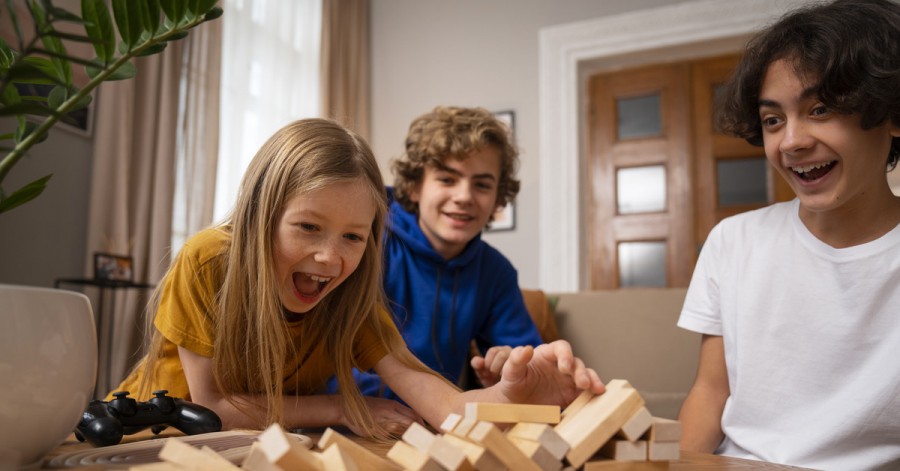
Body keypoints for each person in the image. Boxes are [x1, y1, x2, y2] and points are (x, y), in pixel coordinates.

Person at [113, 118, 603, 439]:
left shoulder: (350, 292)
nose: (328, 258)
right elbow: (213, 407)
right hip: (145, 436)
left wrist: (510, 399)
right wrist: (343, 408)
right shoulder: (209, 260)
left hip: (257, 446)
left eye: (353, 236)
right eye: (307, 227)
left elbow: (443, 403)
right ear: (260, 213)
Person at [676, 1, 900, 469]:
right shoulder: (732, 241)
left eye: (821, 109)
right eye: (773, 119)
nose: (791, 141)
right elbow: (712, 390)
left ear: (891, 114)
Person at [331, 106, 544, 401]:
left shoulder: (495, 272)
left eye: (482, 184)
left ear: (498, 198)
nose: (464, 197)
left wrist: (513, 365)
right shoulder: (365, 238)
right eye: (447, 179)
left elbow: (530, 360)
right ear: (415, 186)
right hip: (343, 419)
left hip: (435, 423)